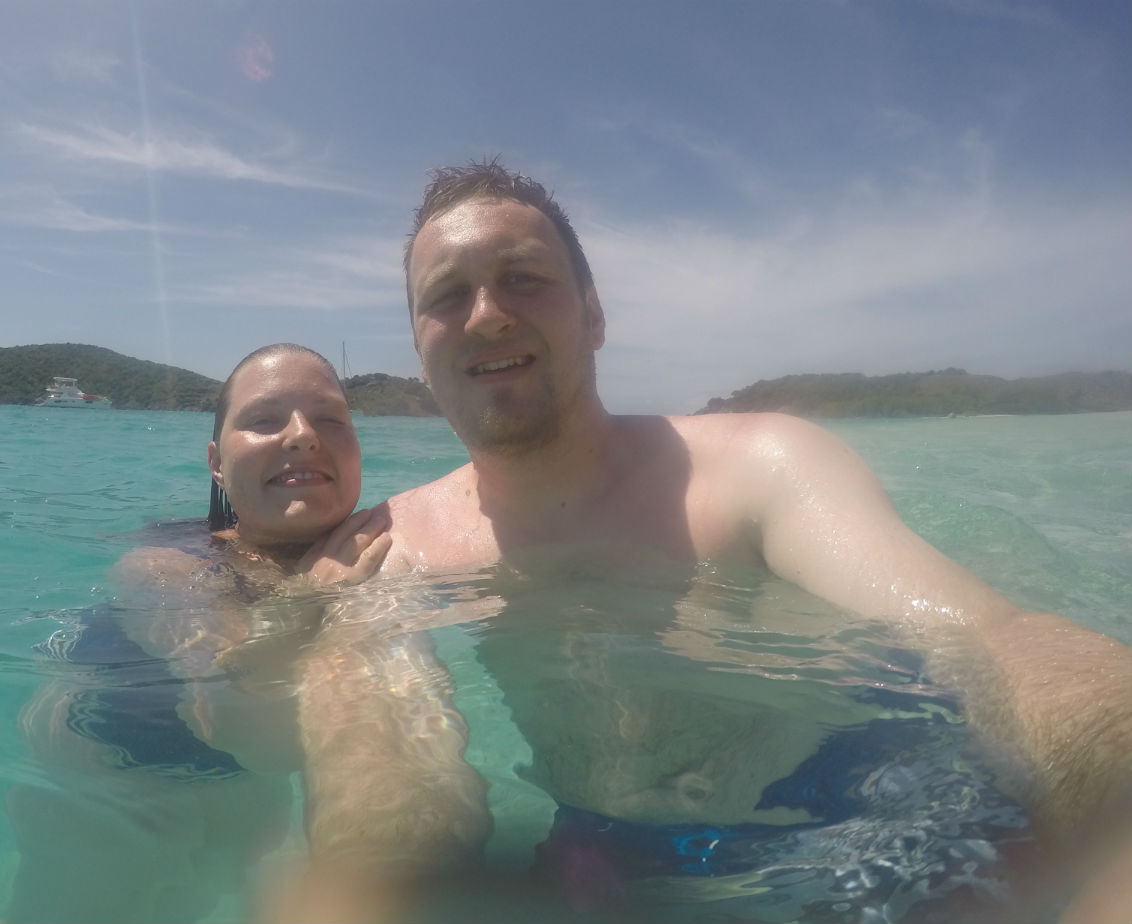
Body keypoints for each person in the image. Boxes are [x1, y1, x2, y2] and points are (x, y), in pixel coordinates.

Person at [272, 160, 1131, 922]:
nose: (487, 315)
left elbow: (985, 638)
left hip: (845, 812)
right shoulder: (391, 547)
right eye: (446, 297)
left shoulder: (760, 467)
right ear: (420, 347)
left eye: (524, 278)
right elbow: (371, 782)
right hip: (601, 854)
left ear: (595, 315)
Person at [4, 343, 390, 923]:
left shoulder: (365, 555)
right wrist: (311, 600)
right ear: (216, 462)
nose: (303, 435)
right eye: (264, 419)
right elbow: (230, 715)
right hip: (107, 774)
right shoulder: (168, 564)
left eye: (330, 418)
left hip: (237, 784)